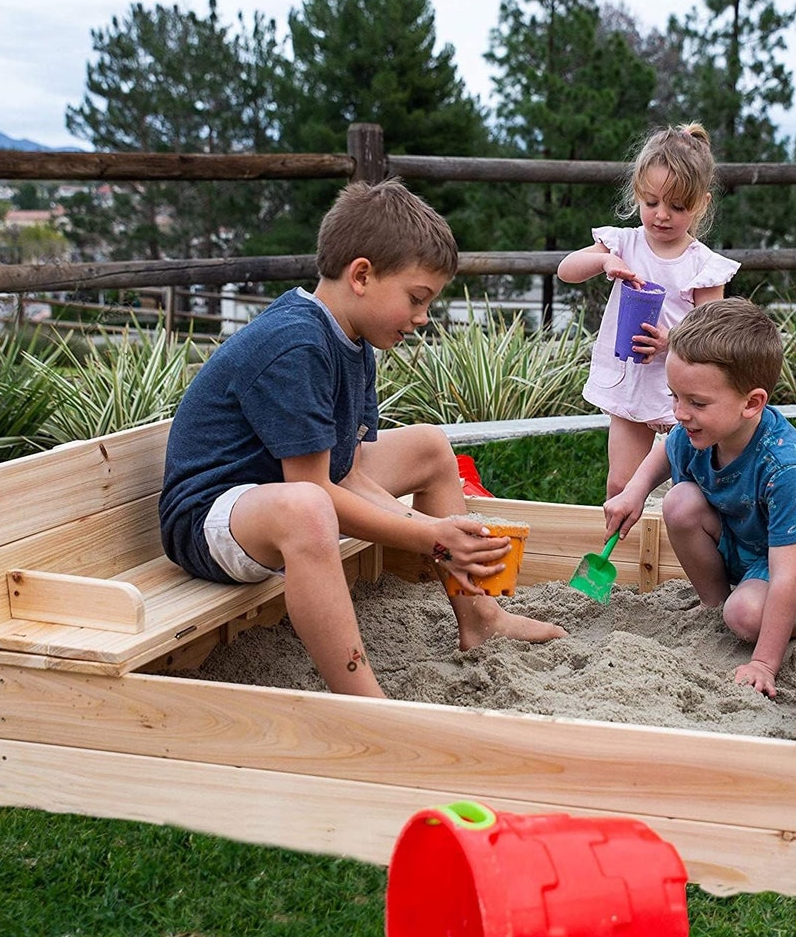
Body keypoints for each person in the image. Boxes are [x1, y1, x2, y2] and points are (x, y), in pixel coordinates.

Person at [159, 178, 565, 699]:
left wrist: (435, 527)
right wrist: (433, 538)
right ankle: (362, 699)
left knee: (428, 447)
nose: (422, 319)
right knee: (308, 507)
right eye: (417, 299)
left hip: (280, 492)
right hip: (211, 519)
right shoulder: (295, 344)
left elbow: (343, 470)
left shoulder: (351, 339)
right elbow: (318, 491)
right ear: (362, 275)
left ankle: (481, 616)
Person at [602, 297, 796, 699]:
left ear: (752, 403)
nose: (680, 413)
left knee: (747, 615)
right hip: (744, 538)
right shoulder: (702, 429)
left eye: (696, 403)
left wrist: (764, 663)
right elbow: (666, 449)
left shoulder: (785, 469)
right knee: (679, 502)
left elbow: (785, 574)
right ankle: (716, 607)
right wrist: (634, 491)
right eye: (674, 396)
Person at [557, 124, 740, 499]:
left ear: (702, 204)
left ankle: (676, 551)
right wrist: (604, 261)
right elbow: (566, 270)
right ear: (637, 194)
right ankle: (619, 552)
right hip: (632, 382)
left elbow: (714, 334)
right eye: (651, 202)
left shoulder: (703, 266)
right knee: (621, 484)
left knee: (688, 489)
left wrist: (671, 341)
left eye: (677, 206)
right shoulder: (623, 243)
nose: (661, 215)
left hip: (684, 393)